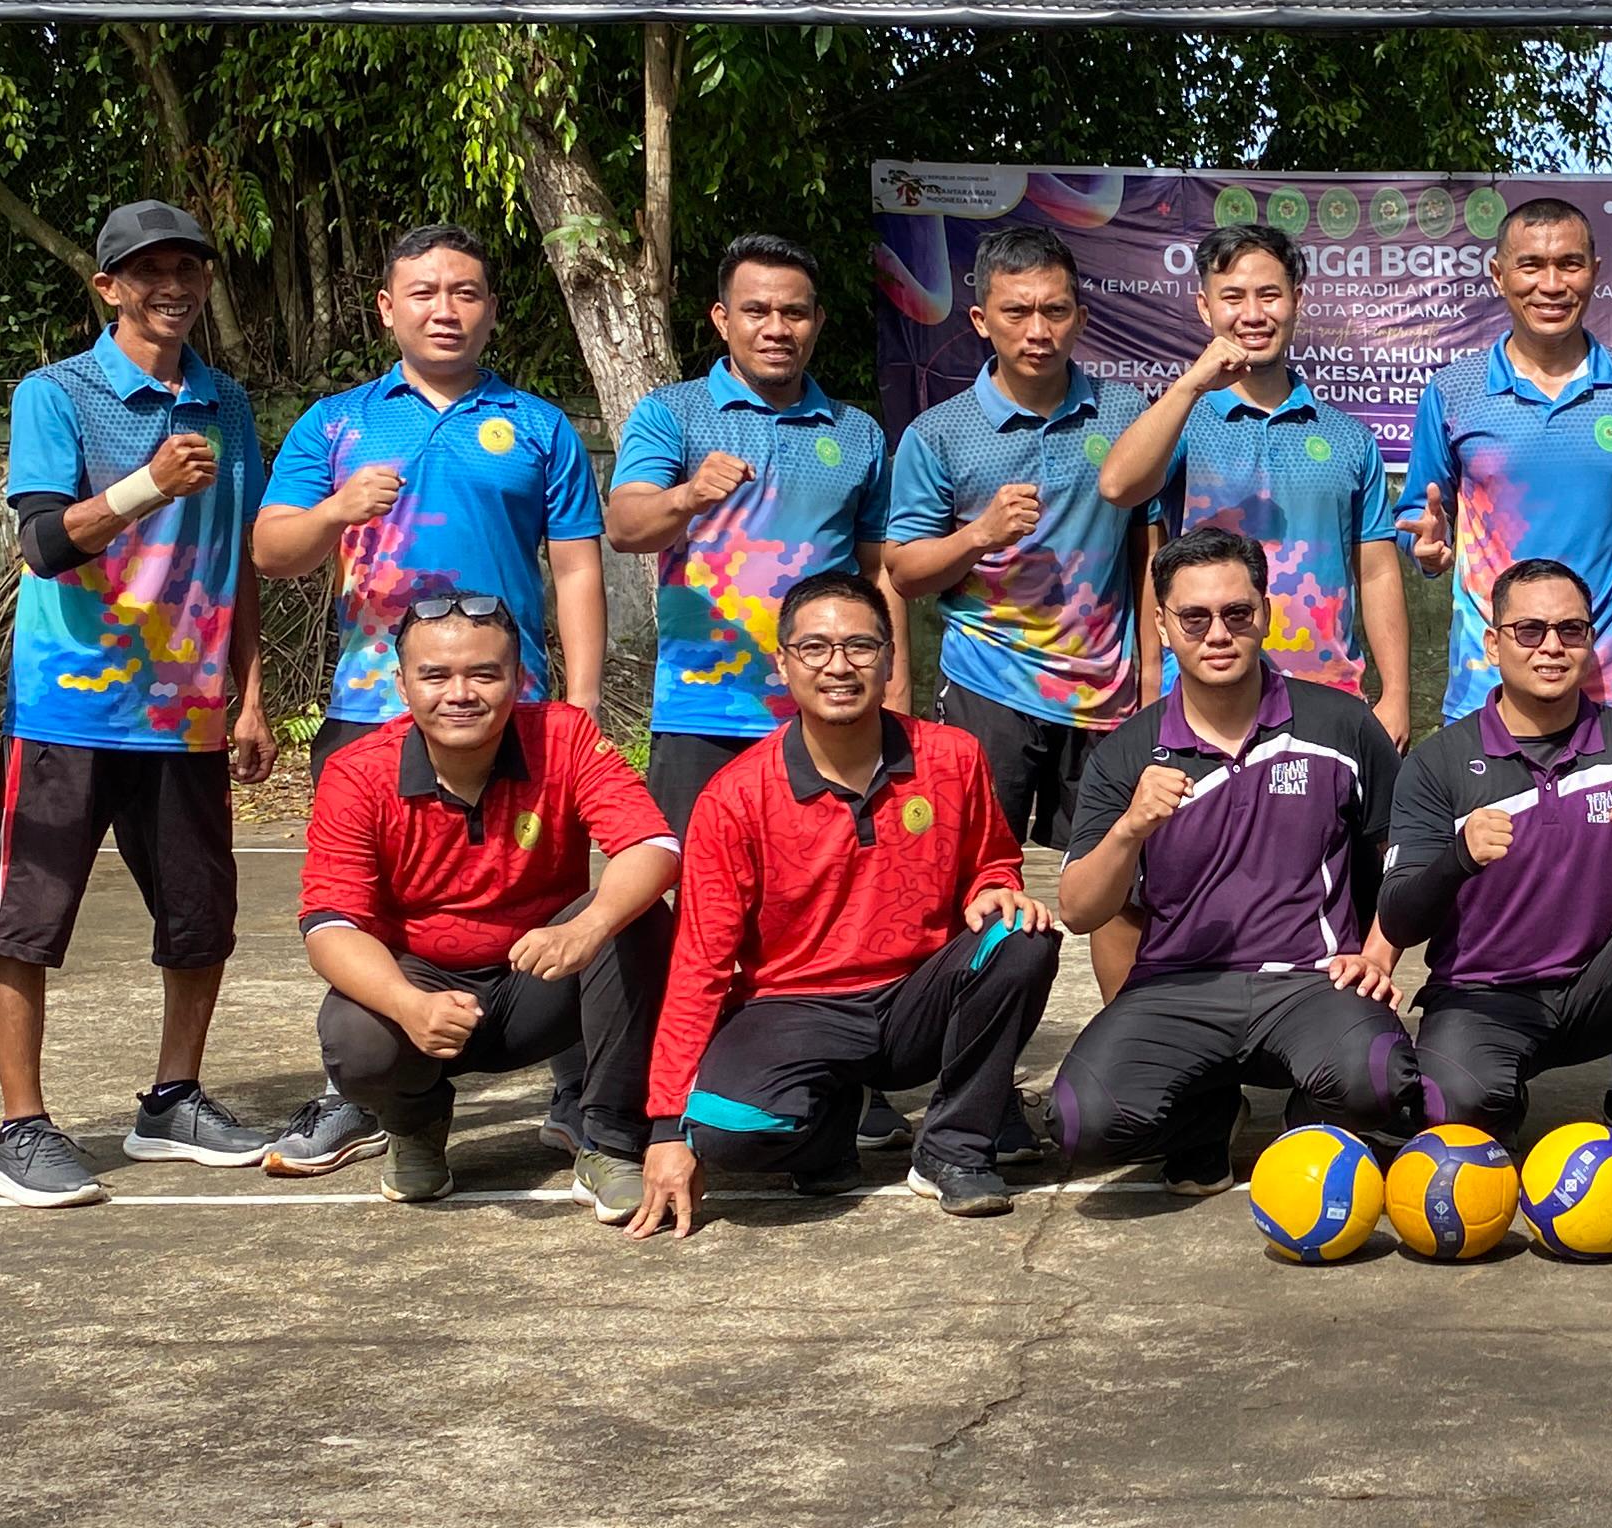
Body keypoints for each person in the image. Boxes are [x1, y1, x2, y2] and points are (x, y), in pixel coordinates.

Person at [254, 220, 608, 1177]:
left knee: (554, 890)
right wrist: (337, 510)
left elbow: (576, 568)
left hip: (513, 711)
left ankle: (578, 1091)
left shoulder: (538, 426)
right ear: (387, 308)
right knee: (357, 903)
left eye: (465, 292)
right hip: (370, 705)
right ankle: (370, 1093)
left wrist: (578, 699)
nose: (445, 309)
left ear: (490, 308)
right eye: (423, 292)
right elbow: (271, 550)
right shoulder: (337, 423)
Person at [0, 201, 278, 1209]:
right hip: (68, 709)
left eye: (188, 268)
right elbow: (42, 545)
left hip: (187, 713)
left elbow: (237, 558)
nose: (172, 287)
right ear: (108, 286)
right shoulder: (56, 393)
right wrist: (146, 486)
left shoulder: (228, 405)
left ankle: (173, 1101)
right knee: (27, 918)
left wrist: (250, 697)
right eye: (149, 271)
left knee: (201, 916)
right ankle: (21, 1128)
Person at [630, 568, 1063, 1232]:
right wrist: (666, 1125)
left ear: (889, 658)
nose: (839, 666)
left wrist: (992, 889)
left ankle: (954, 1146)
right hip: (793, 1008)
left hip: (916, 999)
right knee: (724, 1135)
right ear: (784, 663)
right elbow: (699, 964)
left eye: (861, 646)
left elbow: (992, 861)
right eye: (815, 648)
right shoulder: (734, 797)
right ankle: (828, 1125)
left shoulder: (952, 757)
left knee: (1023, 936)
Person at [1047, 530, 1413, 1187]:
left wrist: (1379, 956)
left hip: (1312, 983)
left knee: (1380, 1082)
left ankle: (1314, 1122)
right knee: (1084, 1124)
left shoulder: (1342, 725)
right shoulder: (1127, 753)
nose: (1218, 634)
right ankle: (1207, 1117)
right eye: (1194, 617)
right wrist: (1130, 829)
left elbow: (1404, 858)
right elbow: (1078, 910)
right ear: (1163, 625)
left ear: (1265, 614)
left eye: (1236, 613)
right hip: (1175, 989)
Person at [296, 595, 677, 1217]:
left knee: (637, 921)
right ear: (402, 684)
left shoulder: (564, 736)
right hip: (423, 982)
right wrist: (408, 1004)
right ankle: (415, 1125)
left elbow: (653, 845)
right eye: (435, 675)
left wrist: (589, 925)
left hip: (541, 979)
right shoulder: (357, 772)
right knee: (355, 1036)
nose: (460, 694)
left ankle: (610, 1140)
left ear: (518, 679)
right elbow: (329, 923)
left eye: (483, 674)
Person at [1377, 558, 1612, 1160]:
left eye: (1571, 630)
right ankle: (1494, 1095)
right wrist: (1458, 858)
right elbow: (1398, 917)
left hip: (1599, 989)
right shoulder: (1438, 763)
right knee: (1460, 1119)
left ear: (1590, 642)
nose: (1552, 647)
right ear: (1494, 643)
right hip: (1481, 998)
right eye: (1530, 630)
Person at [885, 222, 1153, 1001]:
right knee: (969, 881)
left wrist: (1153, 675)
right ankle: (962, 1048)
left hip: (1105, 694)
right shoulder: (939, 434)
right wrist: (978, 534)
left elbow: (1149, 552)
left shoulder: (1124, 412)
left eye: (1055, 310)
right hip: (988, 689)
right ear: (981, 320)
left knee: (1120, 882)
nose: (1038, 330)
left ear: (1080, 316)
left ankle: (1128, 1046)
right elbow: (903, 570)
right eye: (1017, 311)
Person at [606, 235, 893, 833]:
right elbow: (625, 528)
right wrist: (688, 495)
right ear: (722, 319)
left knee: (831, 879)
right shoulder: (671, 413)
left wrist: (893, 696)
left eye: (794, 313)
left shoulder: (859, 433)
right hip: (702, 711)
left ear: (817, 321)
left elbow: (879, 575)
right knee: (692, 879)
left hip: (828, 707)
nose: (776, 328)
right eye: (756, 311)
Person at [1094, 218, 1414, 740]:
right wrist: (1191, 386)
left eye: (1269, 295)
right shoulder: (1181, 423)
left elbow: (1377, 571)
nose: (1253, 314)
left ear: (1297, 301)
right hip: (1203, 701)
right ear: (1205, 308)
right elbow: (1117, 487)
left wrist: (1396, 695)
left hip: (1327, 697)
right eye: (1233, 297)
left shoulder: (1349, 438)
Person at [1400, 195, 1612, 719]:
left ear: (1595, 271)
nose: (1551, 285)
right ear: (1498, 275)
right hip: (1488, 690)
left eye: (1569, 264)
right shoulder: (1453, 392)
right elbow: (1416, 515)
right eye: (1531, 265)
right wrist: (1423, 549)